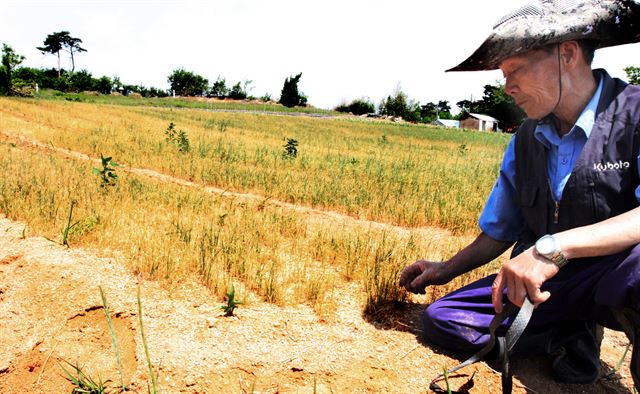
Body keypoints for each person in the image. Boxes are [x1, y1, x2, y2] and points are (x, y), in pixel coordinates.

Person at [400, 0, 640, 388]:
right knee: (444, 319)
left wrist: (552, 249)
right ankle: (565, 330)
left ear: (567, 54)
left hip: (612, 275)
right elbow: (501, 230)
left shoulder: (636, 113)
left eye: (515, 71)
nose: (507, 87)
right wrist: (442, 270)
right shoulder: (526, 138)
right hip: (544, 285)